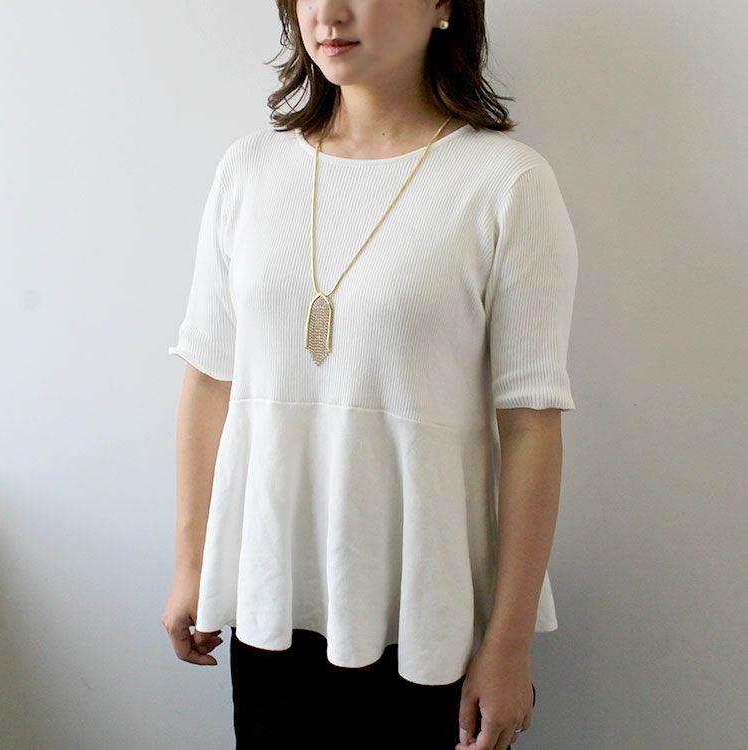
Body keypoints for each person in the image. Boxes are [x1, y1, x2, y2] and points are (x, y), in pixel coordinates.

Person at [161, 2, 578, 749]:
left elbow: (530, 425)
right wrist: (191, 565)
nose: (329, 12)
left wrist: (509, 644)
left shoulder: (505, 182)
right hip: (268, 595)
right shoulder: (250, 169)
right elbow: (209, 379)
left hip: (425, 609)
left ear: (442, 5)